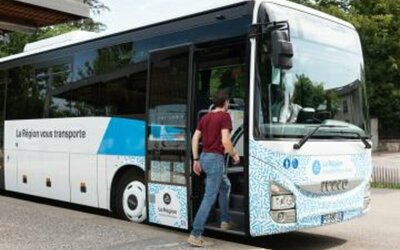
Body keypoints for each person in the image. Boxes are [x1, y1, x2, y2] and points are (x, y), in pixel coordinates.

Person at [187, 89, 240, 247]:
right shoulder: (224, 116)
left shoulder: (205, 117)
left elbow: (195, 138)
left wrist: (195, 159)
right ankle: (195, 234)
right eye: (228, 101)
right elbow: (225, 140)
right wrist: (235, 154)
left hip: (204, 157)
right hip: (216, 159)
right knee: (209, 197)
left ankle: (225, 221)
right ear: (225, 103)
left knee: (225, 185)